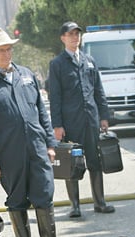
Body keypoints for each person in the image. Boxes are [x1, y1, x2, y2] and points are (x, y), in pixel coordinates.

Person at [0, 27, 68, 237]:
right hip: (8, 152)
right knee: (16, 199)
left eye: (9, 49)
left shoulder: (26, 75)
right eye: (1, 50)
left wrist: (50, 143)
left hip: (37, 147)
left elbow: (41, 112)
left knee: (44, 194)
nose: (7, 54)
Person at [49, 21, 115, 218]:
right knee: (72, 163)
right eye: (70, 34)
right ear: (63, 38)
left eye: (77, 34)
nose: (74, 38)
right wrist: (57, 125)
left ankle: (99, 202)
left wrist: (104, 116)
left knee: (95, 161)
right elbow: (55, 97)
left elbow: (98, 91)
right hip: (70, 123)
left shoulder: (89, 61)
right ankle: (75, 206)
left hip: (91, 120)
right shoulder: (57, 64)